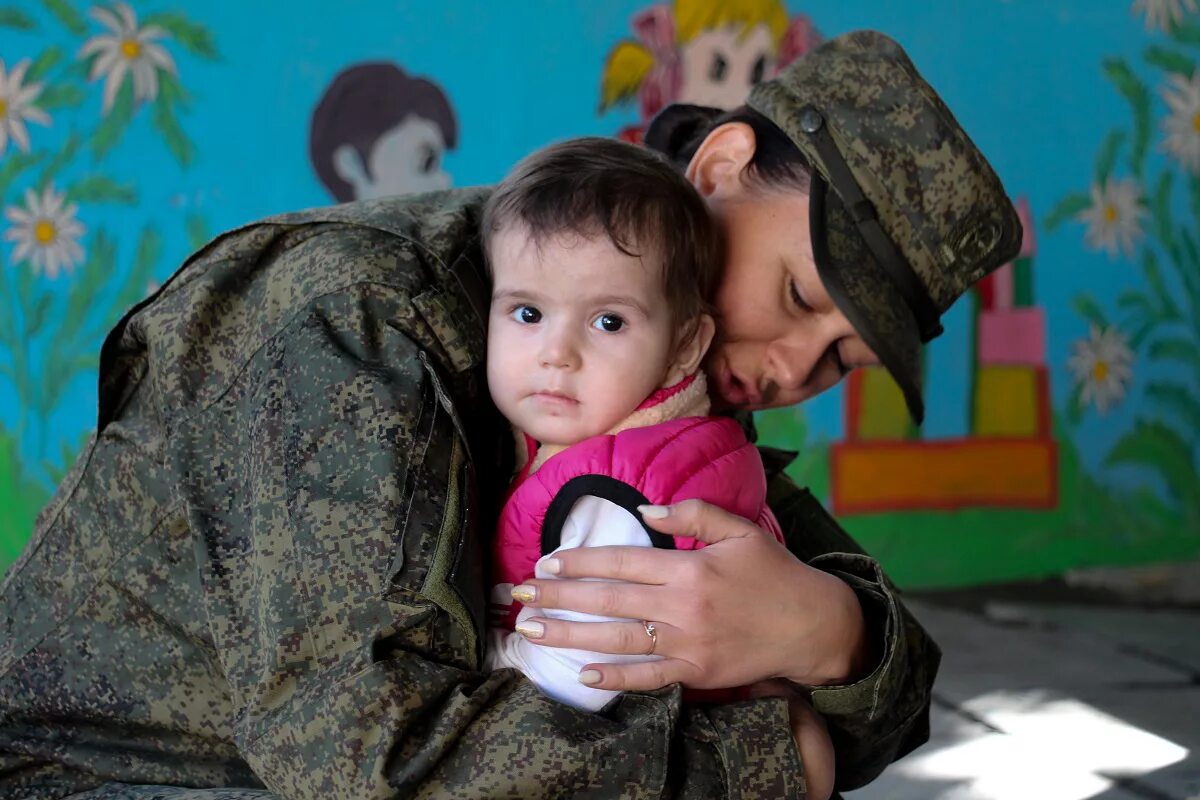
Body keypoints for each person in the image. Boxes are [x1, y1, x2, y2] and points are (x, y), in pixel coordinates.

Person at [0, 31, 1016, 799]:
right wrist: (764, 757)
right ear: (717, 171)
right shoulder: (358, 318)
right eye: (798, 294)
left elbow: (898, 678)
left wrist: (830, 632)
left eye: (844, 354)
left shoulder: (673, 374)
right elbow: (364, 760)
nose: (799, 362)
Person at [477, 136, 836, 798]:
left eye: (608, 322)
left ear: (684, 349)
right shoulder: (665, 437)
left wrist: (476, 661)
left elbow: (567, 674)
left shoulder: (615, 496)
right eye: (528, 313)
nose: (557, 353)